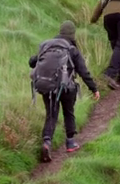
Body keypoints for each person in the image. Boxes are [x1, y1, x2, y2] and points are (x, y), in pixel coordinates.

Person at [29, 21, 100, 163]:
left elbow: (32, 62)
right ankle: (70, 142)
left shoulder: (46, 45)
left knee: (51, 114)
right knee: (68, 111)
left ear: (60, 32)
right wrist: (94, 88)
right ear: (73, 34)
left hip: (46, 85)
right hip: (66, 87)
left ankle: (47, 142)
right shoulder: (72, 49)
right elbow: (83, 71)